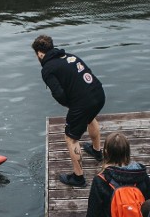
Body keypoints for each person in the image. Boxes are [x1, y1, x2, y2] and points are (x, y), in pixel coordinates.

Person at [32, 34, 106, 187]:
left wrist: (71, 106)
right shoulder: (69, 56)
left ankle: (78, 177)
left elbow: (58, 94)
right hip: (98, 93)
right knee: (90, 117)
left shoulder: (47, 69)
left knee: (71, 138)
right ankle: (97, 151)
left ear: (40, 53)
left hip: (82, 103)